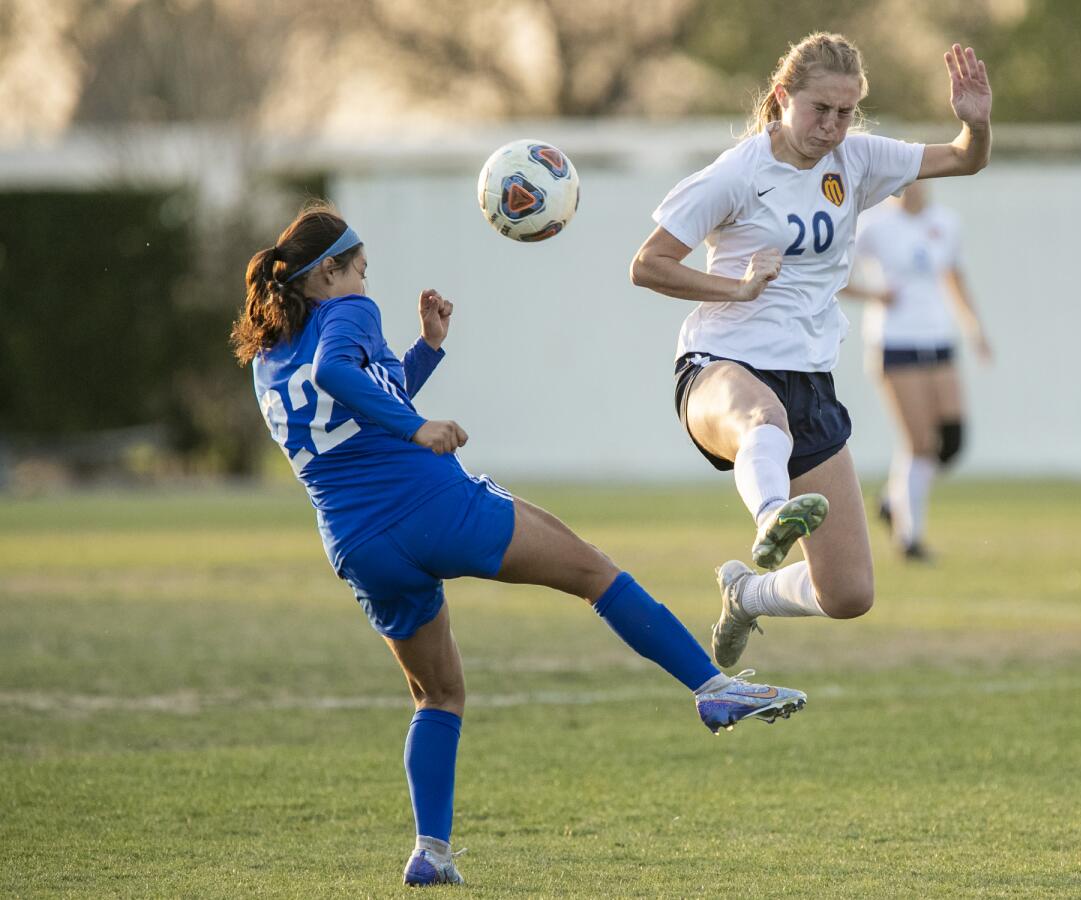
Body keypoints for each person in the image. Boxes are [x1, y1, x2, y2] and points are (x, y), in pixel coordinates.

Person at [230, 204, 805, 888]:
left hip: (358, 544)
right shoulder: (346, 313)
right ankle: (712, 688)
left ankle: (432, 852)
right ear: (327, 273)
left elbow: (357, 405)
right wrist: (418, 431)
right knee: (594, 572)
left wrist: (428, 349)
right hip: (430, 503)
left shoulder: (268, 357)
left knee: (438, 697)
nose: (364, 281)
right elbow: (340, 377)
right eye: (359, 270)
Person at [629, 33, 991, 668]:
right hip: (720, 364)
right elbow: (648, 265)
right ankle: (773, 515)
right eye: (819, 110)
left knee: (849, 593)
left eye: (846, 112)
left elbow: (964, 160)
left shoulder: (856, 159)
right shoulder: (736, 173)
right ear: (781, 98)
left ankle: (748, 591)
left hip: (810, 381)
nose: (833, 126)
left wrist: (977, 125)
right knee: (760, 418)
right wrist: (737, 289)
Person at [850, 181, 992, 560]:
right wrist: (873, 294)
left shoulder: (945, 222)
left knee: (952, 441)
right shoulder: (872, 225)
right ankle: (909, 538)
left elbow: (954, 277)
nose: (913, 190)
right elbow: (833, 275)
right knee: (921, 444)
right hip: (895, 343)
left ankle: (893, 499)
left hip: (938, 341)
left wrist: (974, 328)